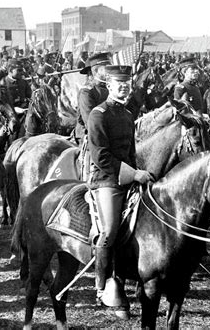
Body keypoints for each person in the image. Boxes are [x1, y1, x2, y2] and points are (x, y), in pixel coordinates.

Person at [87, 65, 153, 305]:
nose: (124, 86)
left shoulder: (127, 115)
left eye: (127, 83)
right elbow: (101, 156)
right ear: (109, 86)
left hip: (129, 176)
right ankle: (101, 287)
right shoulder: (98, 114)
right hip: (106, 179)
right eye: (119, 83)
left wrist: (139, 175)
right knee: (110, 231)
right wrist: (133, 175)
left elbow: (131, 153)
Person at [74, 52, 111, 144]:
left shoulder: (110, 88)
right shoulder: (86, 92)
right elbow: (90, 121)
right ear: (94, 72)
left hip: (110, 132)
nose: (109, 72)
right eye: (106, 69)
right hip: (88, 134)